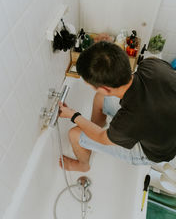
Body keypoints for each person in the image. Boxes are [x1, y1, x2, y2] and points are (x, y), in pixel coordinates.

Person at [58, 41, 176, 172]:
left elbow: (103, 138)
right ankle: (93, 133)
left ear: (105, 88)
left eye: (90, 85)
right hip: (165, 128)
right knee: (100, 99)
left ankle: (83, 165)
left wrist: (73, 115)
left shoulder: (130, 119)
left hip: (152, 152)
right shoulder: (153, 65)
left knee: (74, 133)